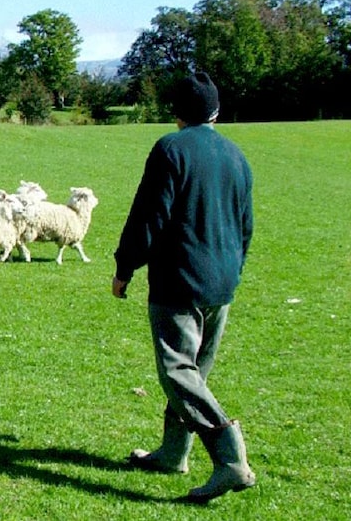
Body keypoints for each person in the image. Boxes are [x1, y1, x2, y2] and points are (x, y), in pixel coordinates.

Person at [112, 72, 255, 503]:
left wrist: (125, 266)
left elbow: (149, 217)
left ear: (176, 112)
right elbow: (245, 227)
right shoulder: (236, 155)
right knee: (196, 373)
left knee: (178, 371)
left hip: (179, 280)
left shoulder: (170, 149)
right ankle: (174, 453)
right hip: (222, 283)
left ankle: (230, 459)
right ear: (215, 110)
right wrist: (233, 270)